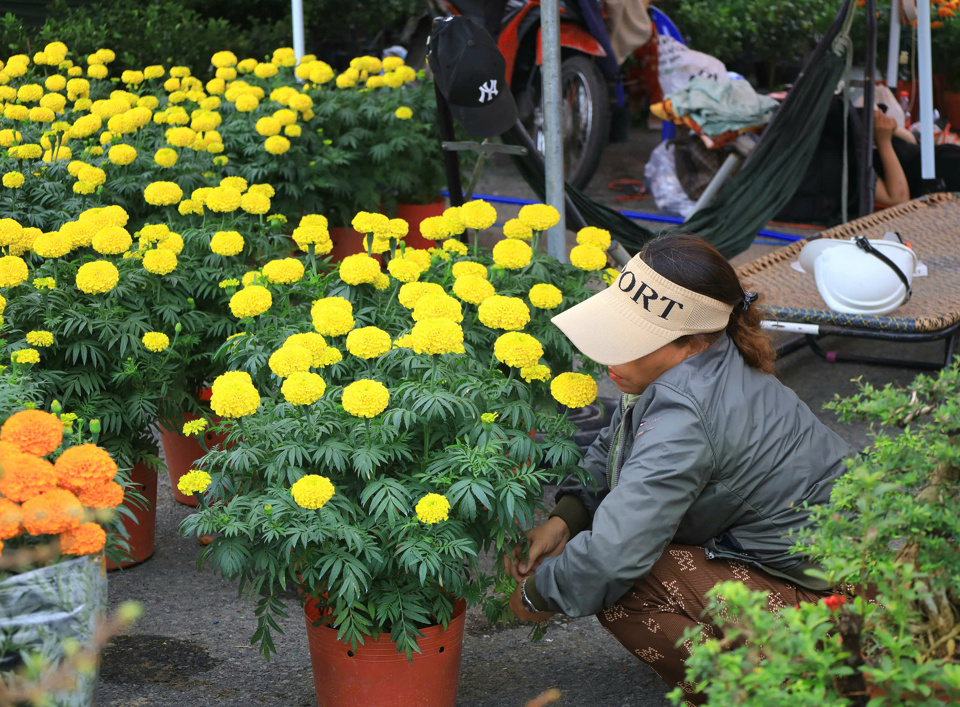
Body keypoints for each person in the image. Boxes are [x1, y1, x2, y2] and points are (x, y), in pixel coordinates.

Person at [504, 233, 855, 705]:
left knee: (623, 582)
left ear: (691, 343)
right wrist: (566, 518)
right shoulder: (708, 357)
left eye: (632, 340)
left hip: (835, 608)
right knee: (618, 547)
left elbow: (612, 559)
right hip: (832, 572)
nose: (611, 355)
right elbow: (619, 443)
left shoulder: (687, 414)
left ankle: (772, 691)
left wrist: (535, 597)